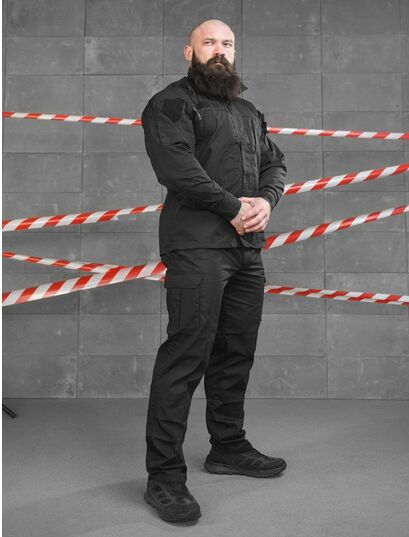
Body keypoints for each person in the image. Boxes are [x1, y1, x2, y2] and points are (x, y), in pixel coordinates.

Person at [141, 19, 287, 523]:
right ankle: (164, 478)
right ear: (190, 52)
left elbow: (275, 162)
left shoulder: (247, 111)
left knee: (235, 353)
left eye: (227, 43)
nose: (219, 50)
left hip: (246, 250)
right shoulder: (170, 103)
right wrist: (232, 207)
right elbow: (178, 169)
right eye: (209, 42)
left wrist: (265, 201)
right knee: (186, 356)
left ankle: (228, 447)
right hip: (197, 247)